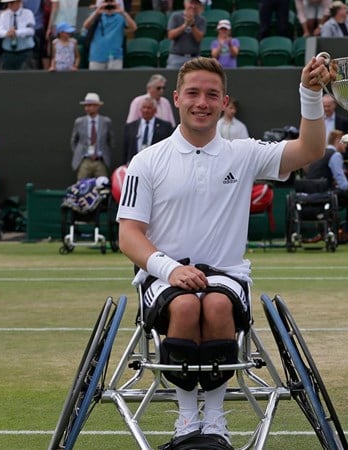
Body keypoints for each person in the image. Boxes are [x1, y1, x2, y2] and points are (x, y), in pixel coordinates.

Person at [116, 55, 330, 450]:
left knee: (214, 307)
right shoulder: (146, 160)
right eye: (193, 93)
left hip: (226, 276)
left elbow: (311, 149)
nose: (202, 102)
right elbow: (129, 234)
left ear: (225, 102)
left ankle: (214, 422)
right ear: (177, 98)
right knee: (183, 308)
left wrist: (311, 93)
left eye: (212, 95)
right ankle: (185, 421)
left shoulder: (243, 152)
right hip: (165, 278)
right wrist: (168, 269)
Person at [304, 129, 348, 241]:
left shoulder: (319, 153)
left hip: (309, 193)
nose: (346, 147)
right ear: (337, 141)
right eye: (344, 143)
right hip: (324, 194)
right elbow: (343, 184)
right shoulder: (335, 155)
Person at [82, 0, 136, 70]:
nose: (109, 5)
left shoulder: (120, 17)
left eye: (111, 2)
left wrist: (123, 12)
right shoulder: (96, 16)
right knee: (95, 80)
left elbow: (134, 28)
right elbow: (85, 26)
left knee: (114, 80)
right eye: (106, 2)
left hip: (115, 56)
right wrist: (97, 12)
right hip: (97, 56)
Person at [71, 92, 114, 181]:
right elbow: (74, 140)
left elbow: (111, 140)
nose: (87, 108)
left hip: (100, 160)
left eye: (90, 105)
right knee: (81, 186)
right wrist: (79, 153)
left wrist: (104, 153)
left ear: (97, 106)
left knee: (102, 186)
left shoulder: (106, 122)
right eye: (86, 105)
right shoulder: (79, 122)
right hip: (85, 160)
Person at [123, 97, 174, 164]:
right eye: (144, 107)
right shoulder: (130, 126)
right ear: (140, 109)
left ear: (155, 110)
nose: (146, 110)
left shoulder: (165, 126)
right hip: (135, 163)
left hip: (156, 163)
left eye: (149, 108)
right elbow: (125, 149)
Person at [0, 0, 35, 70]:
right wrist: (7, 33)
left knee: (27, 77)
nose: (9, 5)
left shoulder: (28, 13)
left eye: (11, 3)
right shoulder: (4, 15)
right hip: (9, 52)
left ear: (18, 2)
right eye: (8, 3)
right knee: (8, 77)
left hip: (25, 52)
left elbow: (31, 31)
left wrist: (16, 32)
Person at [166, 0, 206, 69]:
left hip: (194, 58)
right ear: (185, 3)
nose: (193, 6)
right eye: (191, 3)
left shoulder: (201, 20)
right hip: (176, 57)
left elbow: (199, 38)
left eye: (196, 4)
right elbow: (170, 36)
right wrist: (185, 25)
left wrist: (192, 25)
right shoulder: (175, 16)